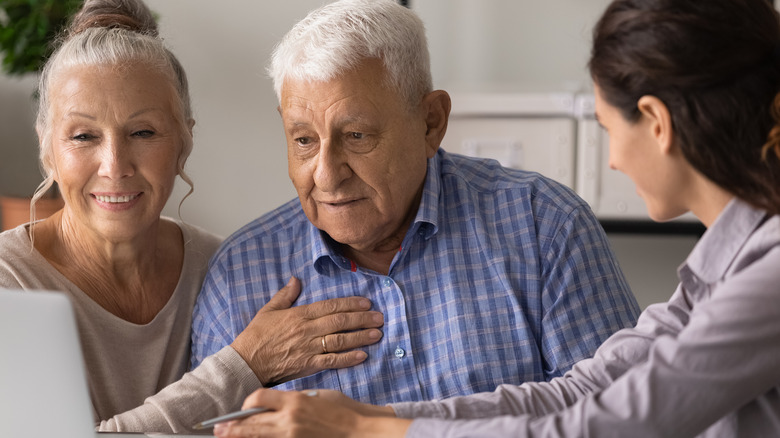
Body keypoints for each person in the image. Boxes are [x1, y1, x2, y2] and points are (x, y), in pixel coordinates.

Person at [211, 0, 780, 436]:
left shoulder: (766, 275)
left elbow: (600, 426)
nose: (611, 159)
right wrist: (371, 418)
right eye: (303, 140)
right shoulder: (722, 267)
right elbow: (580, 391)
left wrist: (363, 431)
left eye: (357, 136)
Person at [192, 0, 640, 406]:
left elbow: (622, 418)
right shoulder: (239, 278)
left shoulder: (545, 227)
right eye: (304, 140)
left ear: (431, 123)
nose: (326, 175)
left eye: (357, 136)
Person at [0, 0, 384, 433]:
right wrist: (245, 364)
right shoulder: (9, 282)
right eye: (83, 135)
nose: (115, 165)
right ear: (47, 147)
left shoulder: (223, 269)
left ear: (184, 141)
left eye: (142, 132)